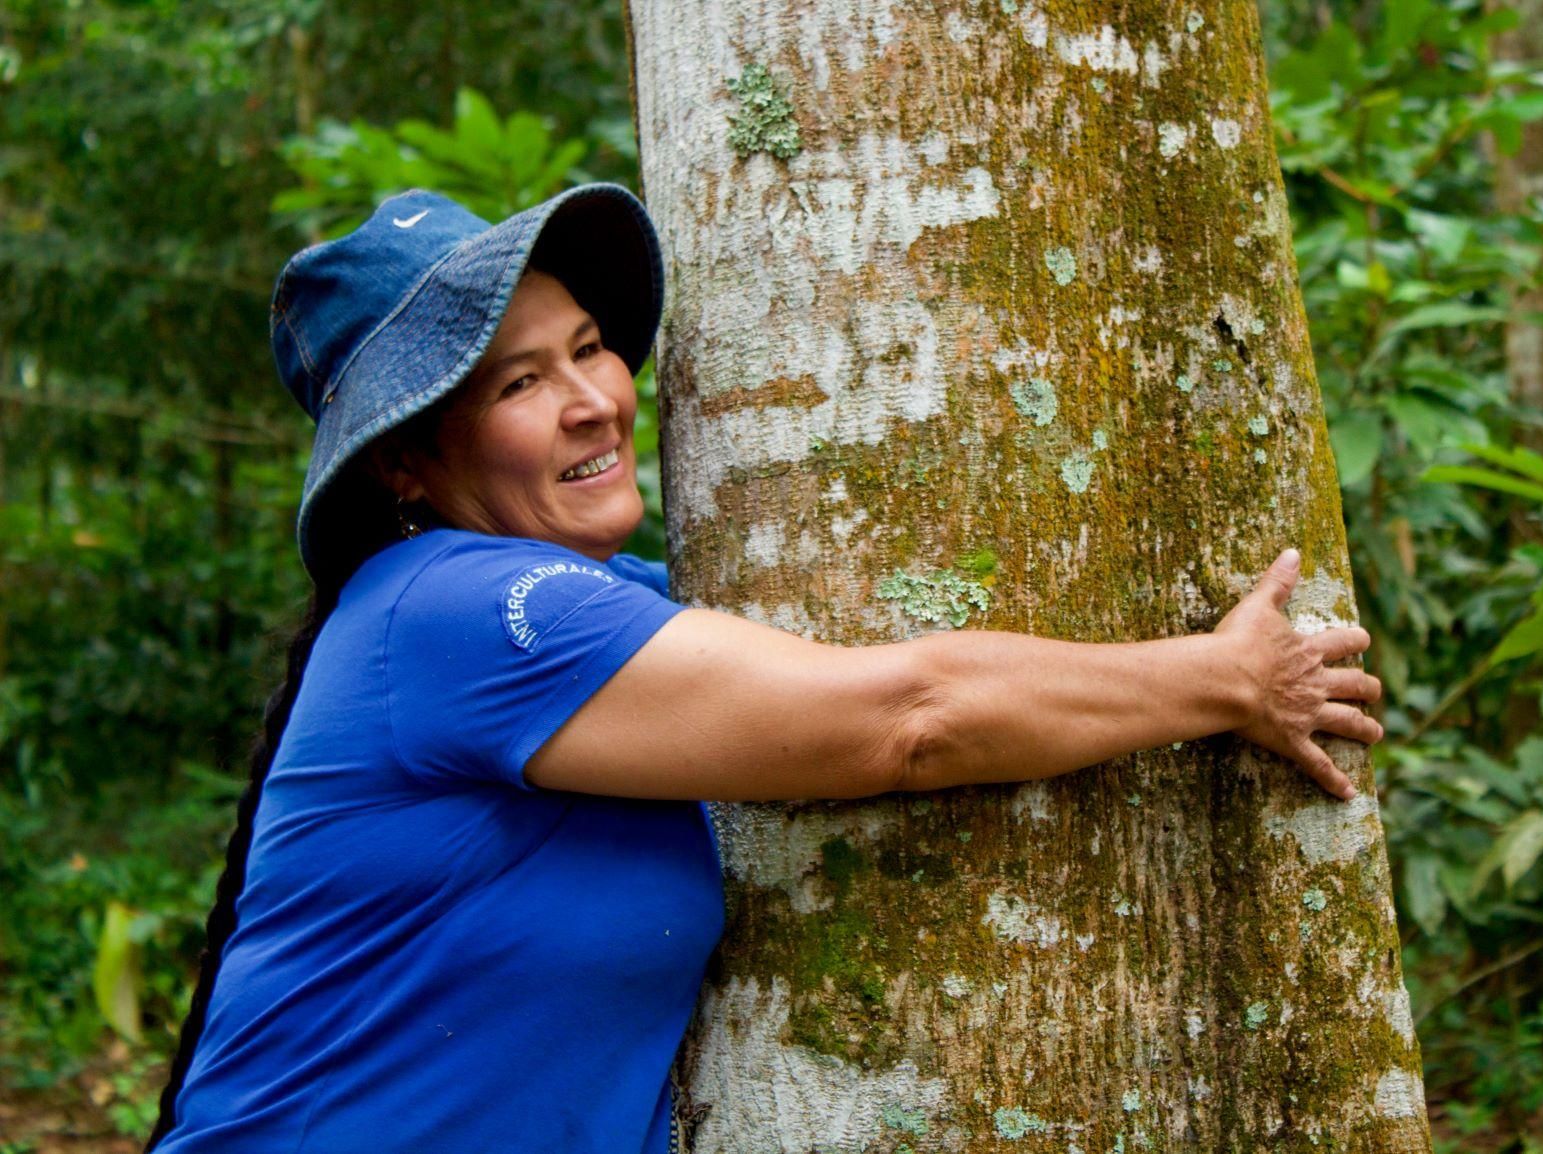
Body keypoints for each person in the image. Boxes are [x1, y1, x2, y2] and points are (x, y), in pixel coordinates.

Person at [146, 185, 1384, 1153]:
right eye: (521, 381)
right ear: (403, 467)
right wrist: (1227, 678)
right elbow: (905, 718)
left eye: (589, 347)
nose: (592, 400)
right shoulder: (460, 609)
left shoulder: (594, 613)